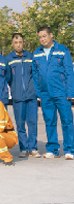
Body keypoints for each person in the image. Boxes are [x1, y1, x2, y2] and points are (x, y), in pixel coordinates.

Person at [31, 26, 74, 159]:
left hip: (62, 92)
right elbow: (35, 74)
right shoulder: (37, 53)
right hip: (45, 94)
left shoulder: (62, 50)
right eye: (40, 37)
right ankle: (52, 149)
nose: (42, 39)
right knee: (49, 121)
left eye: (44, 36)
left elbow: (69, 72)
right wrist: (39, 93)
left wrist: (70, 91)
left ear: (51, 35)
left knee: (67, 121)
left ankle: (69, 150)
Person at [6, 33, 39, 158]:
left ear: (24, 43)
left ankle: (33, 148)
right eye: (16, 42)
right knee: (20, 124)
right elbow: (8, 78)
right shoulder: (8, 59)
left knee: (32, 123)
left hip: (31, 96)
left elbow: (36, 75)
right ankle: (24, 148)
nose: (18, 44)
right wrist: (15, 88)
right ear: (12, 44)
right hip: (18, 97)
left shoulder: (30, 57)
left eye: (20, 42)